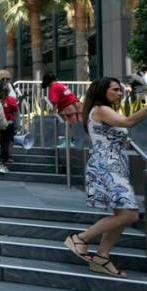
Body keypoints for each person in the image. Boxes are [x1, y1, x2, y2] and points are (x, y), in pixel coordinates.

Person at [63, 78, 147, 278]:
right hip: (107, 166)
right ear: (103, 91)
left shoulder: (106, 110)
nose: (120, 93)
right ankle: (80, 239)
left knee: (122, 216)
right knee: (130, 214)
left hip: (114, 165)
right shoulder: (100, 109)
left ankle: (102, 256)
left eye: (121, 90)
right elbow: (129, 122)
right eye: (115, 90)